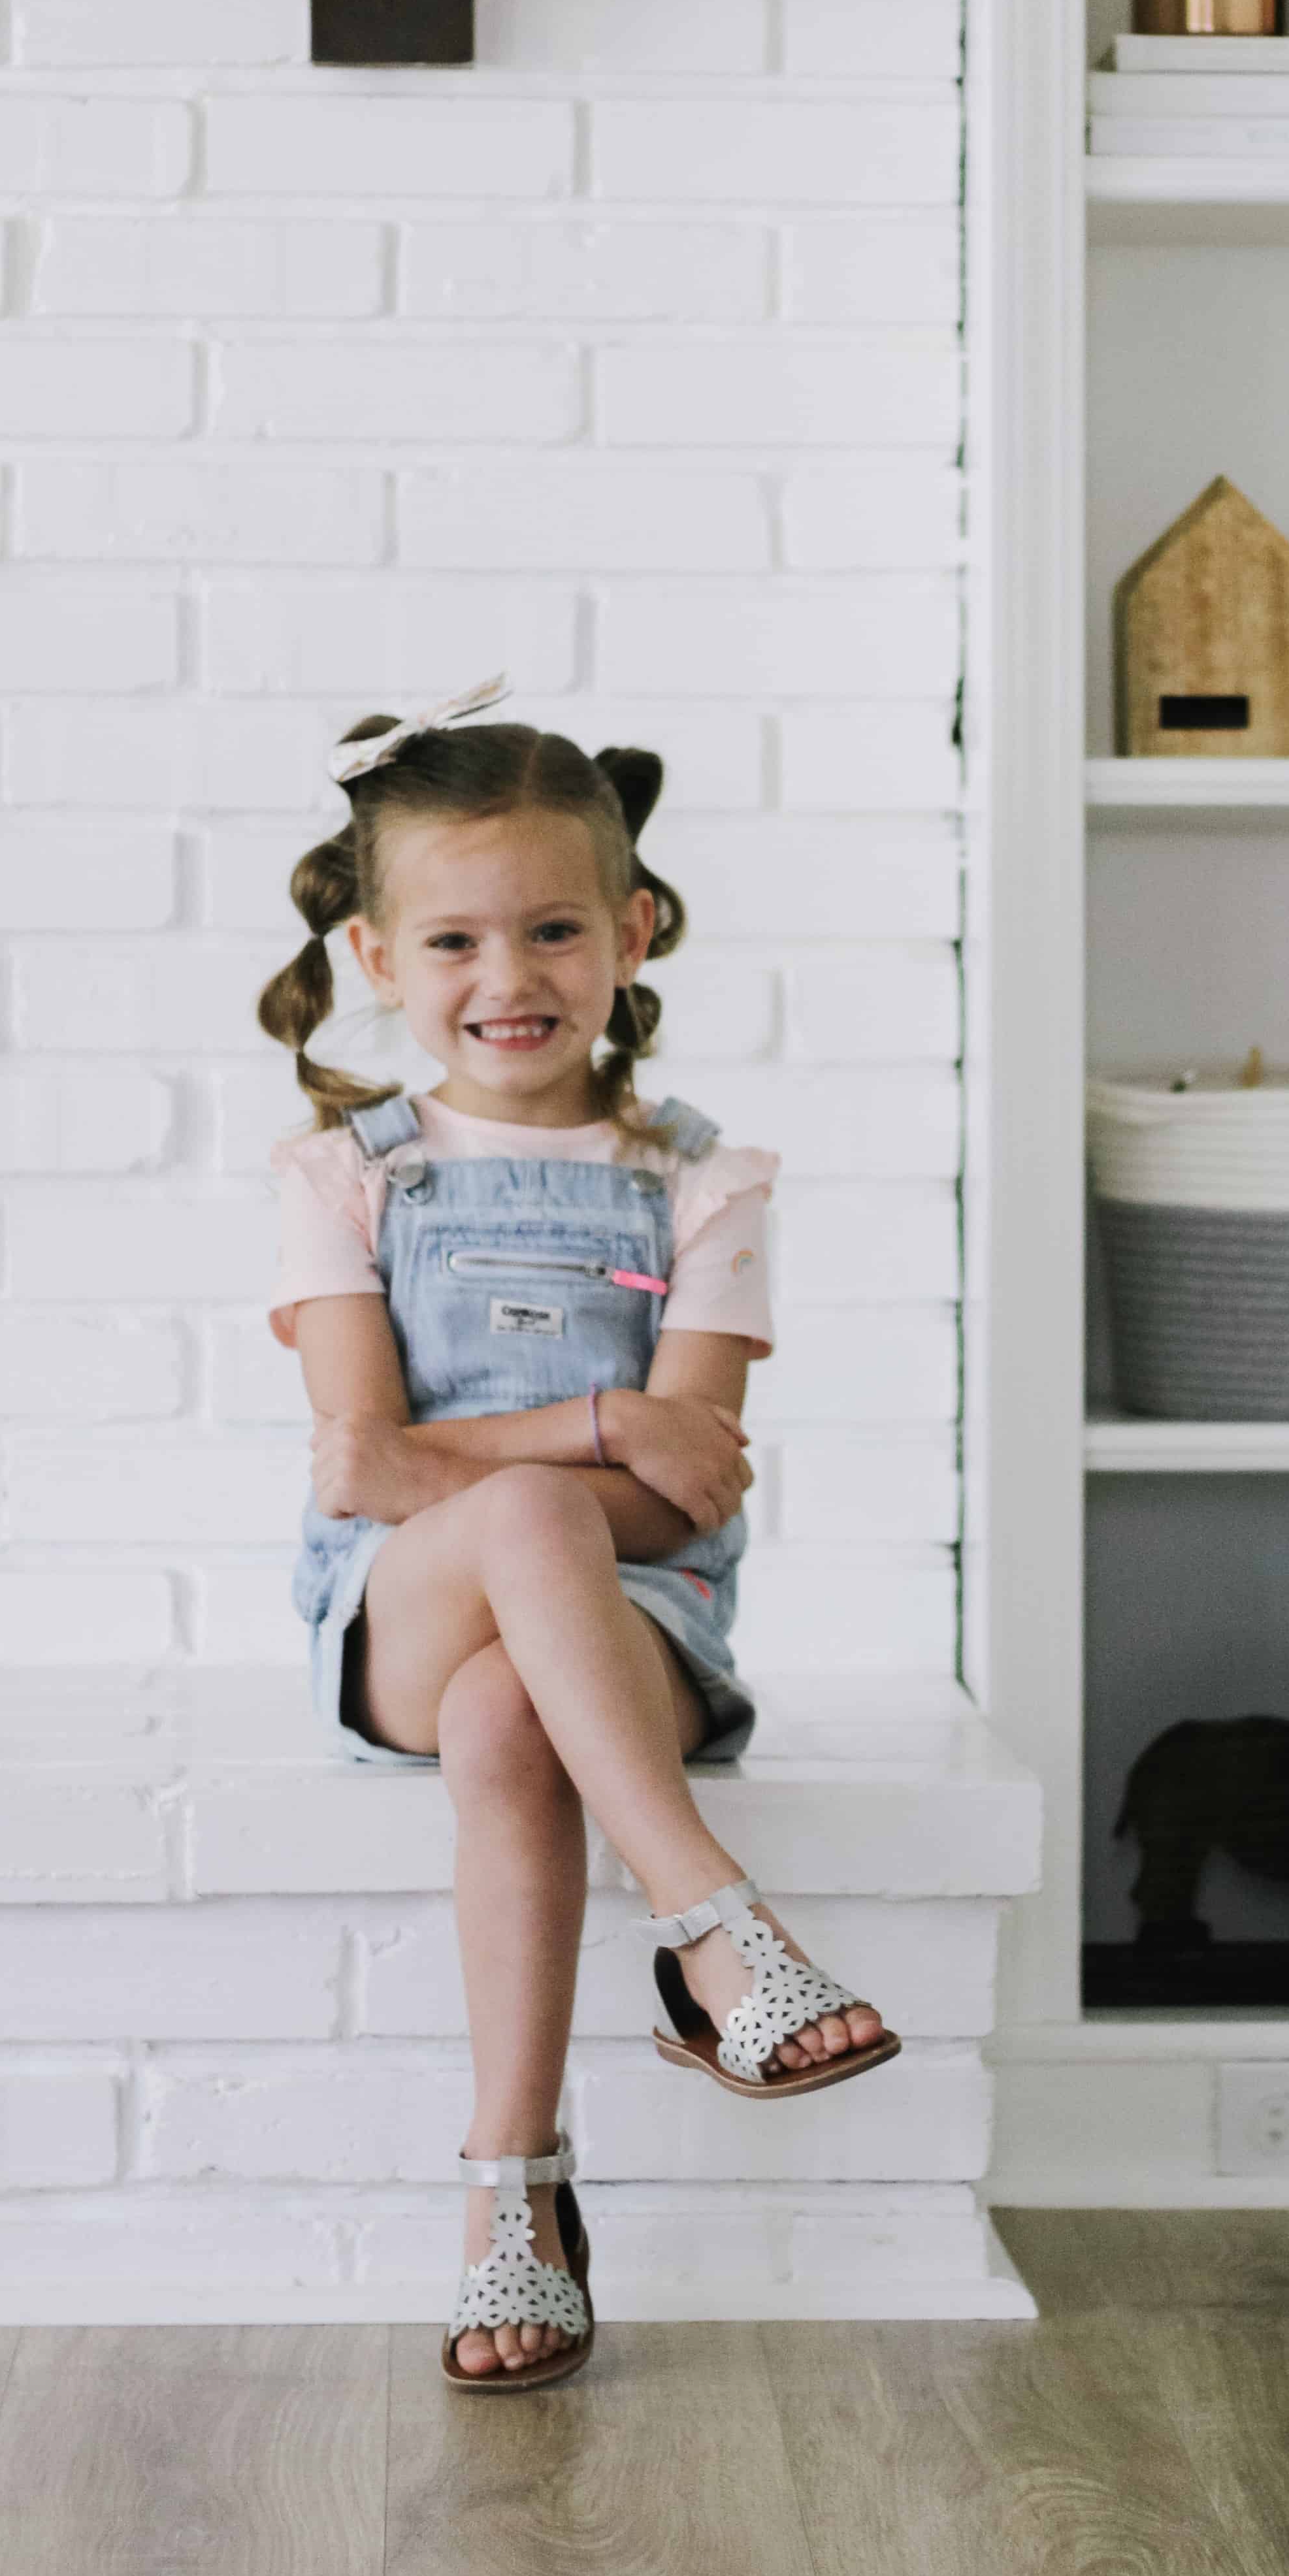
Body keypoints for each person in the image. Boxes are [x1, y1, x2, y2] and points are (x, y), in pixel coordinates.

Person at [259, 679, 895, 2394]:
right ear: (383, 962)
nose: (507, 978)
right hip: (397, 1623)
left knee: (506, 1717)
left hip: (643, 1640)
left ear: (631, 931)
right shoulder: (348, 1178)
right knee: (522, 1534)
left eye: (551, 930)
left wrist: (589, 1466)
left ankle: (512, 2200)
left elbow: (687, 1498)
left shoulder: (704, 1181)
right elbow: (365, 1474)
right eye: (453, 939)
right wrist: (601, 1420)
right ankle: (711, 1929)